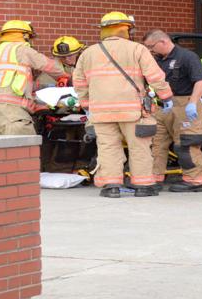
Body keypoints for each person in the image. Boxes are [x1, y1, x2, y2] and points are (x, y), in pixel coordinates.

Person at [73, 12, 173, 198]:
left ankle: (111, 186)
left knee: (108, 148)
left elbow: (79, 82)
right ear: (125, 29)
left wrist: (87, 104)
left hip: (101, 113)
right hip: (133, 111)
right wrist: (166, 97)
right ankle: (143, 186)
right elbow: (155, 76)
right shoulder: (137, 49)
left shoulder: (88, 53)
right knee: (139, 147)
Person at [142, 30, 202, 193]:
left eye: (151, 47)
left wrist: (193, 102)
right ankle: (155, 177)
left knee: (186, 144)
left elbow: (201, 81)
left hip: (185, 104)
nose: (150, 51)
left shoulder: (187, 57)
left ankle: (195, 180)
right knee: (156, 144)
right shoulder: (157, 60)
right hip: (162, 106)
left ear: (163, 42)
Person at [0, 19, 65, 136]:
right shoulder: (22, 49)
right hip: (10, 109)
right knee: (23, 148)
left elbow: (8, 80)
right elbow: (49, 66)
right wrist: (68, 78)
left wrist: (35, 86)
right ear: (24, 36)